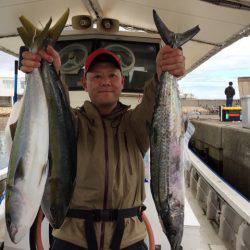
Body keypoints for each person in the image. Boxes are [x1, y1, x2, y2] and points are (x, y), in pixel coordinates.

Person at [20, 44, 185, 250]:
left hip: (129, 241)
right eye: (96, 77)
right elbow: (47, 110)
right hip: (72, 240)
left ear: (122, 82)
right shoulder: (71, 123)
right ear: (85, 83)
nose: (105, 81)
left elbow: (153, 103)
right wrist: (45, 70)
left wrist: (162, 73)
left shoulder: (135, 125)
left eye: (112, 76)